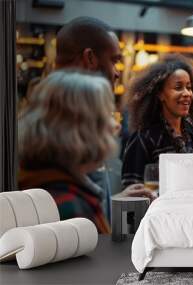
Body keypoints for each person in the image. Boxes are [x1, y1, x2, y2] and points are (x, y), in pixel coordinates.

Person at [55, 17, 153, 210]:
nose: (117, 72)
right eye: (114, 61)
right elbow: (64, 214)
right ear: (90, 58)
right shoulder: (66, 124)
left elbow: (85, 202)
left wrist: (116, 199)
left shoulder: (77, 115)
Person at [18, 70, 119, 233]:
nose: (115, 125)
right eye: (106, 115)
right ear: (79, 129)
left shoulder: (35, 181)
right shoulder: (71, 208)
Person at [121, 54, 193, 188]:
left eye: (189, 87)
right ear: (160, 94)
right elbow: (130, 192)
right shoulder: (144, 138)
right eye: (178, 87)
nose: (187, 93)